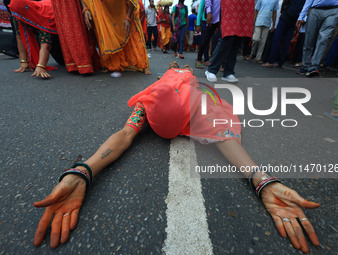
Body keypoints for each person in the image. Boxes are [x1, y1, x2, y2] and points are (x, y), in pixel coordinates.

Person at [32, 62, 320, 254]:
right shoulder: (149, 101)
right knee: (171, 76)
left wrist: (265, 183)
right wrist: (82, 171)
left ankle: (179, 70)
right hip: (170, 85)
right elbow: (124, 135)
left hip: (188, 87)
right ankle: (173, 70)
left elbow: (228, 142)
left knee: (184, 76)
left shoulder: (204, 105)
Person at [81, 0, 151, 74]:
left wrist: (128, 17)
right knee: (106, 32)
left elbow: (133, 2)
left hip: (123, 8)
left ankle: (142, 64)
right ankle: (111, 64)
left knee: (131, 31)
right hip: (104, 10)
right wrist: (85, 9)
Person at [9, 0, 62, 78]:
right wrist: (24, 62)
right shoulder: (17, 14)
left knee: (63, 61)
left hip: (57, 27)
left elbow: (45, 45)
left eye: (18, 16)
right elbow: (19, 37)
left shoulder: (42, 15)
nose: (17, 19)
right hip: (41, 22)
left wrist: (41, 66)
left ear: (26, 12)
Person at [205, 0, 254, 83]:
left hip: (243, 5)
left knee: (237, 37)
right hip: (230, 5)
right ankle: (211, 69)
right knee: (227, 37)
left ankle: (228, 72)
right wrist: (209, 11)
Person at [51, 0, 100, 74]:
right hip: (59, 4)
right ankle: (75, 64)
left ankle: (83, 63)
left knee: (74, 27)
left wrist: (84, 7)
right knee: (67, 29)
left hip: (70, 4)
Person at [296, 0, 338, 77]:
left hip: (334, 11)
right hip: (315, 10)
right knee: (309, 39)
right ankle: (306, 66)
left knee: (324, 39)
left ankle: (314, 67)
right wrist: (301, 16)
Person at [261, 0, 305, 68]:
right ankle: (280, 62)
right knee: (287, 41)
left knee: (277, 39)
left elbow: (285, 2)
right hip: (295, 18)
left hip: (286, 16)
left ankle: (271, 61)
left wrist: (283, 10)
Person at [195, 0, 220, 68]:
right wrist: (198, 24)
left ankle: (210, 58)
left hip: (217, 21)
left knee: (216, 41)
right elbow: (200, 10)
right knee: (205, 40)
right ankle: (201, 59)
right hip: (206, 21)